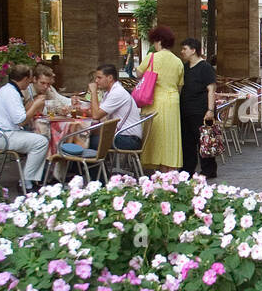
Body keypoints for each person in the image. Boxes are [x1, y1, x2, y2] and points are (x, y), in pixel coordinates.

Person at [0, 63, 50, 194]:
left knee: (38, 138)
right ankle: (26, 183)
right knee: (41, 142)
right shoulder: (11, 93)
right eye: (29, 79)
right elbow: (21, 121)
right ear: (24, 79)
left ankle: (32, 180)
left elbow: (18, 117)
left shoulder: (7, 90)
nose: (29, 83)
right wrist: (35, 106)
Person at [59, 65, 142, 158]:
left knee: (90, 141)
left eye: (99, 77)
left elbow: (96, 115)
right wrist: (79, 111)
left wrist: (93, 92)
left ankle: (91, 170)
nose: (96, 81)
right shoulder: (110, 92)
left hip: (128, 139)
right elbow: (99, 113)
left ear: (110, 78)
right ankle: (91, 169)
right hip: (122, 136)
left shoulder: (117, 93)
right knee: (87, 137)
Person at [135, 25, 184, 171]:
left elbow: (138, 74)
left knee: (154, 133)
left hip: (154, 100)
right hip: (172, 101)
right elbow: (179, 85)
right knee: (170, 136)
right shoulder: (178, 61)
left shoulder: (151, 57)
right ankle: (170, 167)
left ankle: (155, 164)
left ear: (159, 41)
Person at [179, 38, 218, 179]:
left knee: (204, 140)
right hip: (186, 110)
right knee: (187, 141)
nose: (182, 52)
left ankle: (209, 170)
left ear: (193, 50)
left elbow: (211, 89)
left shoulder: (205, 67)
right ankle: (187, 169)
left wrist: (210, 110)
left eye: (185, 49)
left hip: (200, 110)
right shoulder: (185, 67)